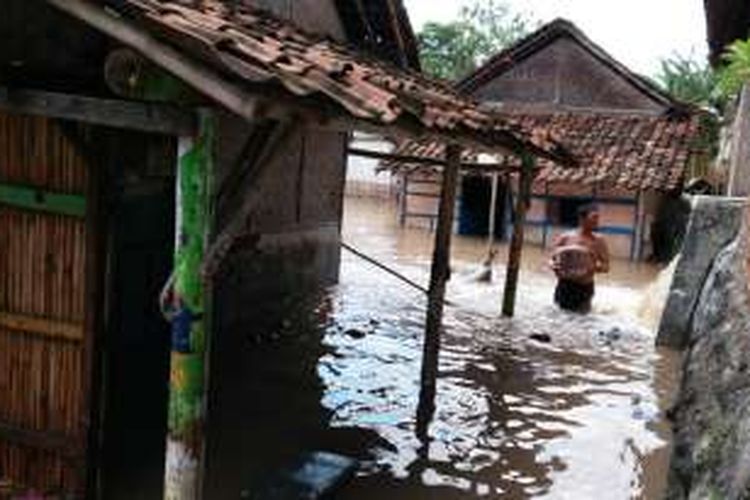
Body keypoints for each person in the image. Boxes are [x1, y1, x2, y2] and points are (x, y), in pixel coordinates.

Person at [549, 204, 610, 313]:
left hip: (584, 287)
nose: (597, 221)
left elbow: (606, 266)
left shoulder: (599, 241)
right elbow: (552, 258)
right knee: (559, 316)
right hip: (564, 285)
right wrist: (552, 265)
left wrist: (592, 268)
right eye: (594, 217)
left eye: (598, 218)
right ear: (582, 219)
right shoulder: (566, 237)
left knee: (582, 320)